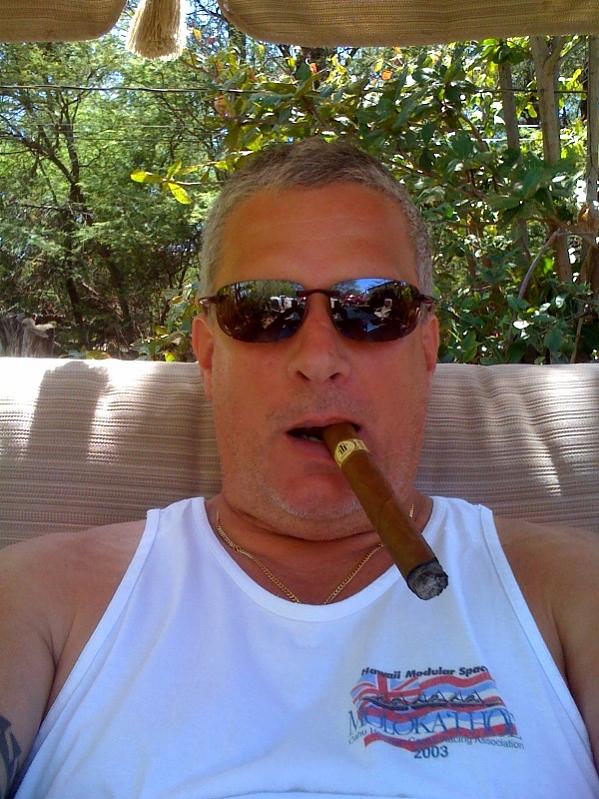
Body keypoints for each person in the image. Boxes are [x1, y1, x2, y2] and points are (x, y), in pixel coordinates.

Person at [1, 138, 598, 798]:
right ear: (208, 354)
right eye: (262, 309)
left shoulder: (571, 591)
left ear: (427, 347)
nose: (318, 358)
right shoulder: (42, 599)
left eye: (373, 307)